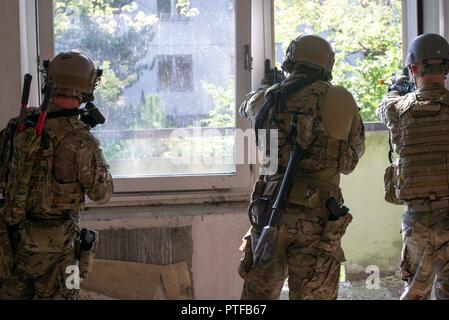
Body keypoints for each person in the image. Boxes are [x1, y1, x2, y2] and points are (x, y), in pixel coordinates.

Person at [238, 34, 365, 300]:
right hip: (317, 221)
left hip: (269, 212)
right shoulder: (339, 98)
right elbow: (348, 163)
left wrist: (268, 89)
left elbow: (246, 107)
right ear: (326, 65)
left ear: (290, 62)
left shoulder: (264, 100)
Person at [0, 51, 114, 299]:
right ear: (87, 87)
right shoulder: (82, 141)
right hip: (60, 251)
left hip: (11, 244)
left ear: (48, 81)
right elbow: (101, 193)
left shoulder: (17, 127)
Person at [377, 33, 449, 300]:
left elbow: (384, 107)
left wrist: (397, 88)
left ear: (414, 68)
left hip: (418, 220)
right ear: (446, 68)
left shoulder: (398, 109)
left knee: (415, 293)